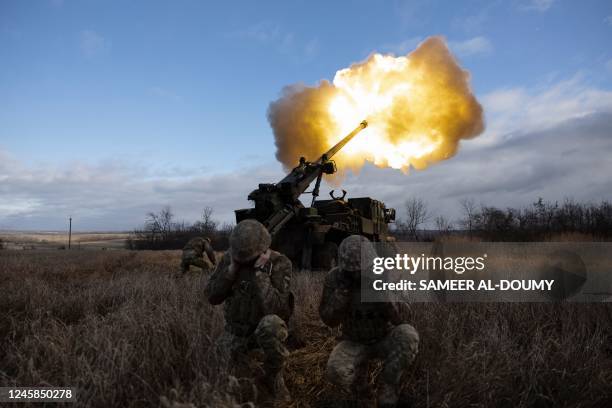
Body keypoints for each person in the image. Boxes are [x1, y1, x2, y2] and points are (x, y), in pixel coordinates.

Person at [319, 235, 419, 407]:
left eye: (361, 270)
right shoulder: (335, 279)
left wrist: (383, 293)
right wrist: (341, 295)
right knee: (335, 369)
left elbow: (404, 318)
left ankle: (388, 385)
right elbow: (329, 320)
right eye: (352, 271)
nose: (357, 275)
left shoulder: (387, 274)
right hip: (353, 342)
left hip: (384, 338)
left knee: (409, 335)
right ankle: (363, 392)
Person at [205, 219, 294, 403]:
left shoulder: (279, 262)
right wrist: (230, 272)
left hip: (262, 333)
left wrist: (260, 274)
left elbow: (279, 310)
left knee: (272, 325)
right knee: (217, 374)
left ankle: (273, 378)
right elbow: (212, 297)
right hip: (235, 331)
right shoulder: (230, 259)